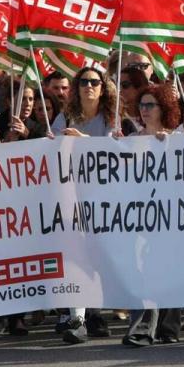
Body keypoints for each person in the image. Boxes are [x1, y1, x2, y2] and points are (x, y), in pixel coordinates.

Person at [54, 65, 121, 343]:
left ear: (103, 88)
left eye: (95, 81)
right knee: (77, 256)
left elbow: (116, 151)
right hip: (72, 195)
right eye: (83, 82)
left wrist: (86, 143)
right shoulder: (66, 116)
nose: (89, 86)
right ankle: (80, 317)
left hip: (105, 199)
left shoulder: (111, 118)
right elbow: (53, 146)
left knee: (100, 257)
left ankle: (96, 311)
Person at [122, 83, 184, 347]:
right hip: (140, 216)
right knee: (143, 271)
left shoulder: (175, 139)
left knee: (169, 270)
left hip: (170, 216)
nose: (145, 110)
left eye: (151, 105)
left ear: (164, 109)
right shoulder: (130, 140)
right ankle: (143, 327)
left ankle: (168, 327)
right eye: (142, 105)